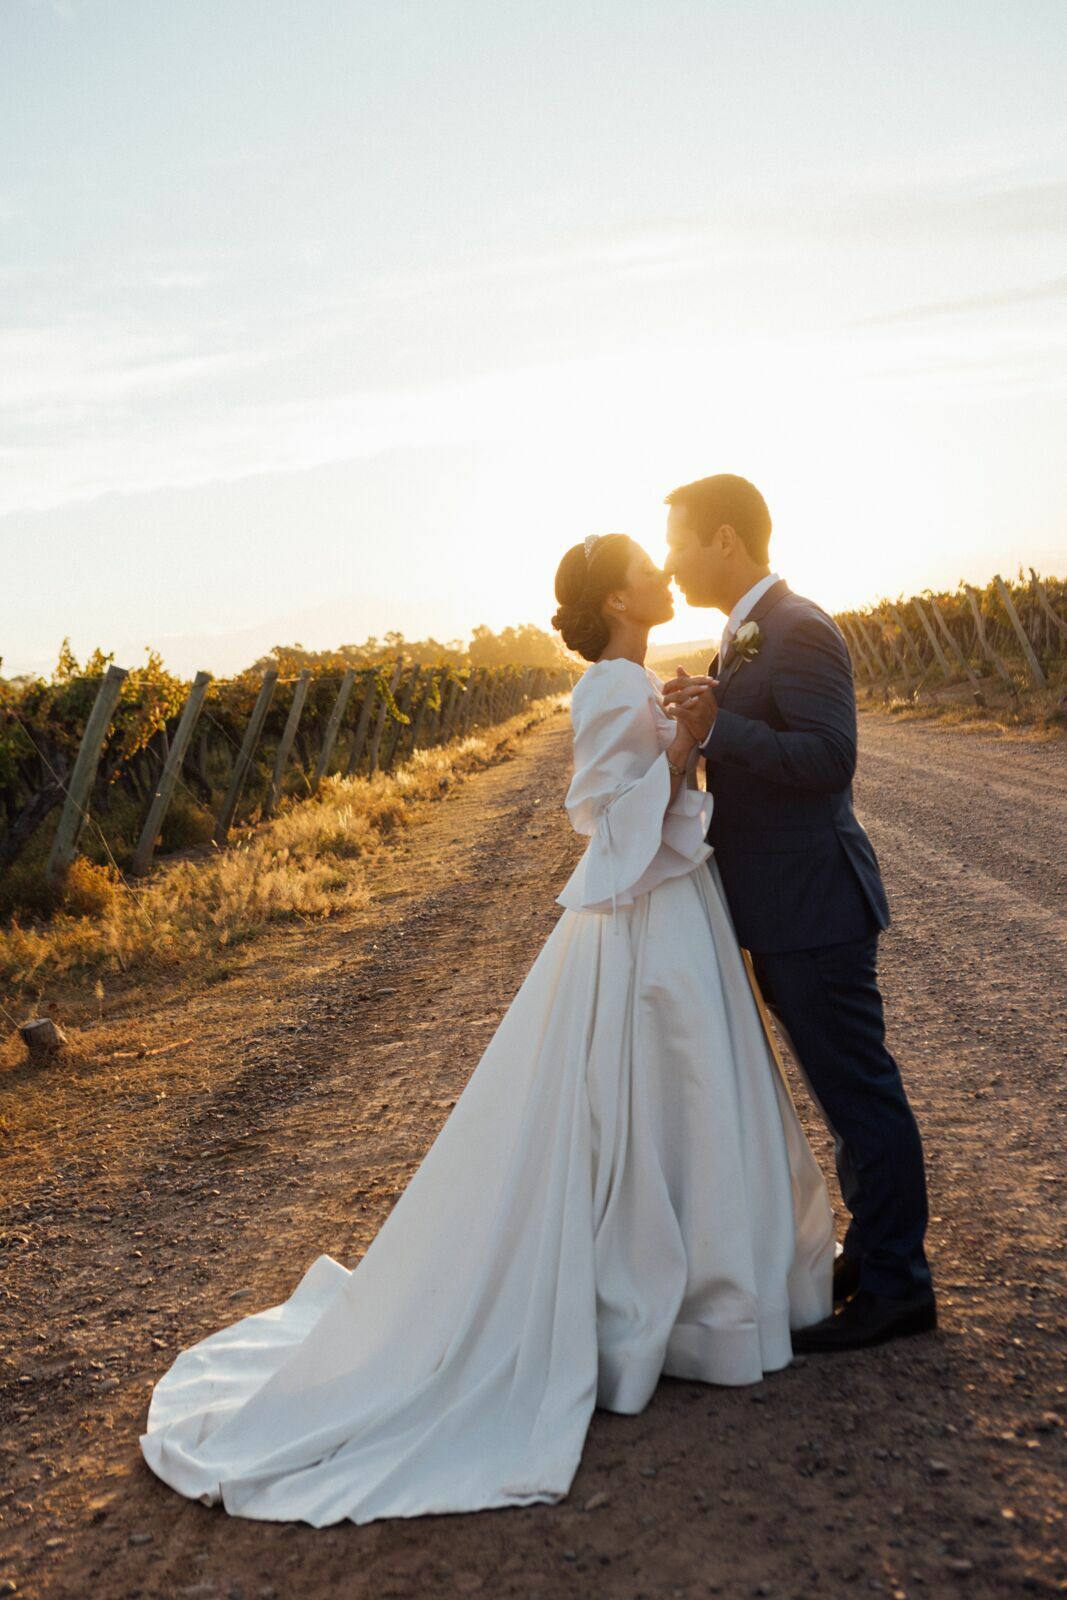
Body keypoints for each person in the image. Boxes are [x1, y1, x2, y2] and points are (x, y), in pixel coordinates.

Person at [139, 532, 834, 1528]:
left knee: (690, 1095)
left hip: (674, 907)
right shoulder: (605, 685)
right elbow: (599, 816)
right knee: (645, 1100)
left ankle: (708, 1302)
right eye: (644, 562)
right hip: (639, 920)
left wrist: (686, 748)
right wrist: (681, 749)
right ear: (612, 595)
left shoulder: (636, 674)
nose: (659, 569)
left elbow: (665, 802)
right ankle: (668, 1312)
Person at [660, 473, 936, 1351]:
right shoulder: (744, 635)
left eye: (677, 541)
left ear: (726, 541)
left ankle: (900, 1287)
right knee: (841, 1094)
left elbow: (829, 758)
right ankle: (874, 1251)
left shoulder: (798, 627)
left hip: (815, 904)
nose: (668, 559)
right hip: (783, 908)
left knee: (861, 1095)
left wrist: (715, 732)